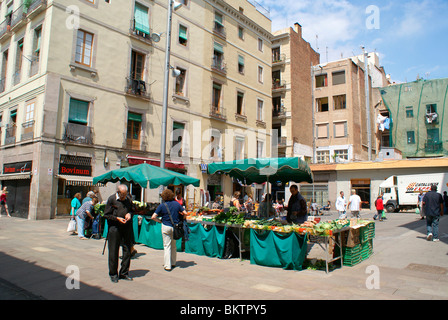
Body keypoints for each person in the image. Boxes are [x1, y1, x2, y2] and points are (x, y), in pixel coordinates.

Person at [103, 185, 135, 283]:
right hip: (114, 228)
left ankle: (124, 273)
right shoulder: (111, 199)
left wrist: (129, 214)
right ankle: (113, 274)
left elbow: (132, 209)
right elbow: (106, 215)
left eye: (125, 195)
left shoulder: (128, 199)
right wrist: (117, 218)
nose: (124, 197)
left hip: (126, 228)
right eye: (122, 195)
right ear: (118, 192)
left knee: (127, 251)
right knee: (113, 251)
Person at [151, 189, 187, 271]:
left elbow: (153, 217)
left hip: (165, 226)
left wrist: (160, 221)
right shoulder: (176, 204)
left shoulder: (162, 205)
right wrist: (182, 219)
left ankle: (167, 265)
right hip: (175, 227)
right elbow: (185, 213)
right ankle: (173, 262)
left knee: (167, 246)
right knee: (173, 245)